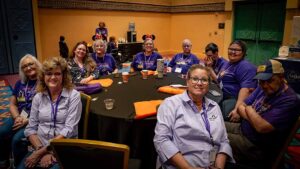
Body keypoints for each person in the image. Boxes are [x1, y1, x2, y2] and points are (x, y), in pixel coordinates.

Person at [154, 64, 234, 169]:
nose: (199, 83)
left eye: (204, 80)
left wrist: (219, 167)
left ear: (209, 84)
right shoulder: (170, 104)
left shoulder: (214, 106)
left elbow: (224, 140)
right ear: (187, 81)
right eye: (195, 79)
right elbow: (161, 140)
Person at [225, 59, 300, 168]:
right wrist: (253, 118)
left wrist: (249, 109)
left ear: (281, 77)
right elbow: (241, 106)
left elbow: (261, 127)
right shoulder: (262, 88)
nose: (264, 85)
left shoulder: (289, 100)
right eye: (261, 81)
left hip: (255, 147)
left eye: (269, 80)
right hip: (243, 129)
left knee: (213, 137)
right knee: (213, 126)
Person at [17, 57, 82, 169]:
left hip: (63, 147)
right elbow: (31, 128)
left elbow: (69, 130)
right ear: (43, 76)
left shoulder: (73, 95)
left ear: (63, 76)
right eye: (48, 74)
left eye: (57, 73)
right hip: (39, 145)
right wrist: (41, 150)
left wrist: (41, 152)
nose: (53, 77)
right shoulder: (38, 97)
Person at [0, 54, 41, 168]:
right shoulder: (20, 83)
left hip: (35, 119)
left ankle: (19, 165)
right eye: (24, 66)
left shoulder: (44, 82)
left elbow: (46, 109)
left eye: (31, 64)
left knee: (17, 140)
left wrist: (27, 121)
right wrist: (17, 117)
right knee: (2, 132)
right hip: (20, 116)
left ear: (37, 64)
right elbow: (12, 104)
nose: (28, 68)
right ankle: (4, 162)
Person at [217, 40, 257, 121]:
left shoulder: (246, 67)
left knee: (221, 118)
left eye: (237, 50)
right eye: (231, 49)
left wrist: (237, 110)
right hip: (221, 95)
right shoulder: (227, 64)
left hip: (233, 99)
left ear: (243, 52)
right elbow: (219, 79)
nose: (233, 52)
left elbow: (246, 90)